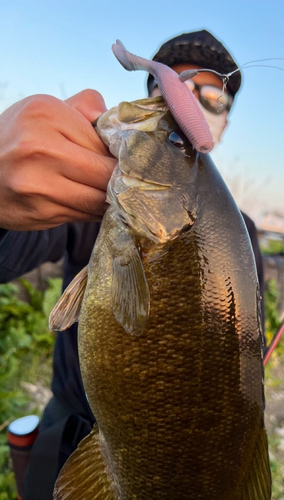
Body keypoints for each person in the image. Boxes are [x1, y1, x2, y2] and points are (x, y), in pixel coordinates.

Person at [0, 29, 265, 500]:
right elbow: (10, 255)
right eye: (178, 87)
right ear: (153, 91)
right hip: (76, 442)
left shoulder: (241, 233)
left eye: (214, 98)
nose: (193, 102)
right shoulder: (90, 201)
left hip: (194, 462)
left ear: (222, 123)